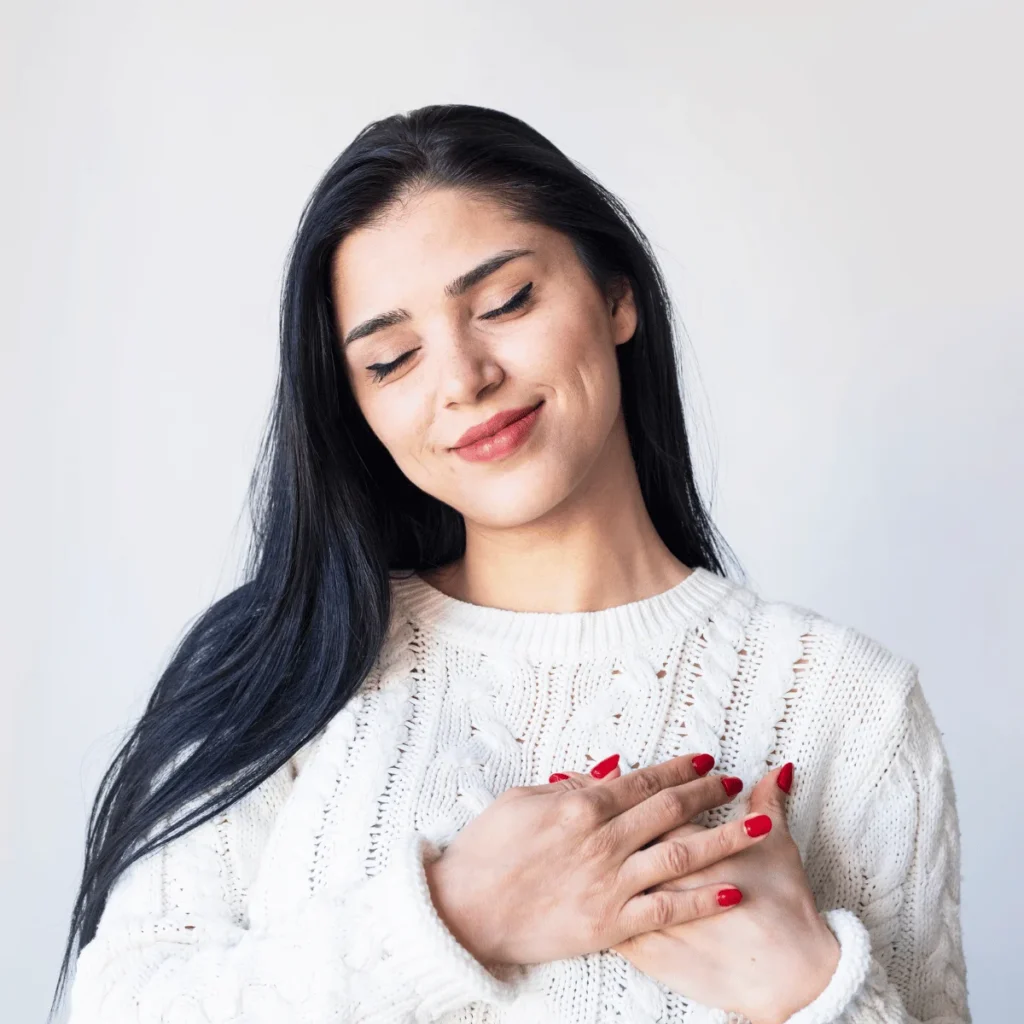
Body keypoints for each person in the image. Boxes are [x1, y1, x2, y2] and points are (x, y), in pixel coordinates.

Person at [56, 104, 970, 1024]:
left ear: (616, 297)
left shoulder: (849, 708)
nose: (462, 378)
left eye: (504, 303)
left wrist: (807, 987)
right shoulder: (283, 666)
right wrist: (456, 918)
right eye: (393, 358)